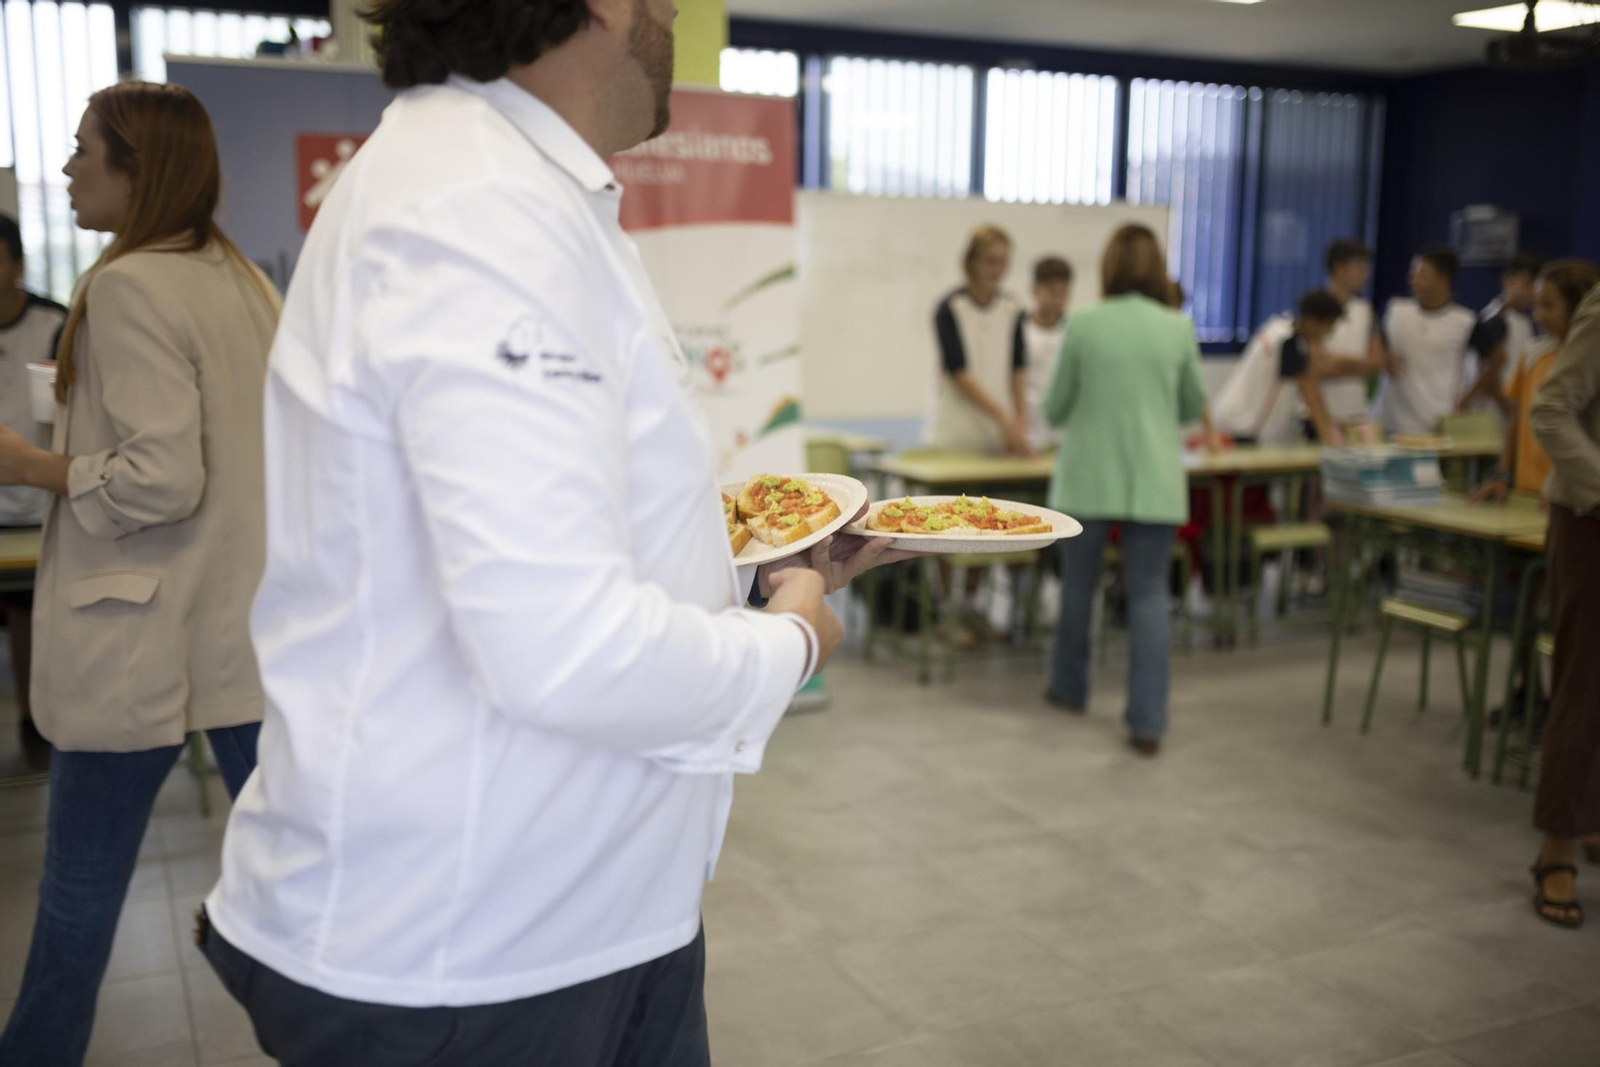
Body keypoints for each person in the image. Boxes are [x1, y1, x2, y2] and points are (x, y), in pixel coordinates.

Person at [199, 4, 897, 1064]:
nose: (669, 16)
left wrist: (761, 570)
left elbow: (563, 533)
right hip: (464, 961)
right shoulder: (473, 204)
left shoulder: (526, 190)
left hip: (582, 917)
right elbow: (561, 643)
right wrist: (789, 642)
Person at [0, 82, 280, 1065]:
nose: (69, 169)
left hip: (141, 635)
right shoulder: (238, 278)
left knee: (76, 901)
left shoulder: (127, 286)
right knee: (303, 875)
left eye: (84, 152)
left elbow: (162, 478)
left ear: (137, 167)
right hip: (240, 631)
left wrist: (41, 466)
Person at [1044, 223, 1208, 756]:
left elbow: (1054, 407)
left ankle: (1069, 690)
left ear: (1109, 267)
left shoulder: (1084, 325)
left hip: (1088, 477)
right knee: (1149, 596)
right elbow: (1189, 408)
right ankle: (1147, 722)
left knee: (1077, 589)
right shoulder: (1177, 328)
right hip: (1154, 480)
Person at [1527, 276, 1600, 930]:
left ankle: (1590, 816)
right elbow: (1549, 408)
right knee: (1584, 687)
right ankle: (1556, 847)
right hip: (1591, 515)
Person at [0, 214, 66, 759]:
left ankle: (36, 719)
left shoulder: (54, 323)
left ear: (17, 266)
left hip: (40, 500)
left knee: (29, 610)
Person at [1471, 260, 1600, 505]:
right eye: (1535, 305)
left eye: (1548, 306)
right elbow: (1517, 418)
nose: (1538, 315)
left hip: (1577, 496)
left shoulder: (1589, 361)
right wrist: (1503, 473)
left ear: (1579, 307)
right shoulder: (1533, 354)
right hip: (1527, 491)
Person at [1373, 246, 1502, 437]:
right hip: (1390, 422)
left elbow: (1498, 357)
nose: (1413, 278)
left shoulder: (1465, 320)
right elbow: (1374, 340)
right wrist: (1384, 358)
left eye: (1421, 274)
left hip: (1436, 424)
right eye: (1413, 272)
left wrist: (1468, 399)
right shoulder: (1395, 309)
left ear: (1443, 279)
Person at [929, 225, 1032, 456]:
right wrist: (1005, 418)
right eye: (990, 261)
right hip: (956, 436)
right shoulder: (950, 309)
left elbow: (1018, 369)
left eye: (1003, 261)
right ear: (972, 261)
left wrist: (1018, 423)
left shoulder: (1013, 309)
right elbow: (959, 372)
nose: (997, 269)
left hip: (998, 436)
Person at [1211, 290, 1347, 447]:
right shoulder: (1288, 341)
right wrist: (1331, 441)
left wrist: (1330, 426)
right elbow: (1309, 389)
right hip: (1242, 427)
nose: (1329, 333)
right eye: (1328, 326)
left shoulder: (1280, 329)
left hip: (1239, 422)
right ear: (1311, 321)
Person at [1461, 251, 1544, 418]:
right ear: (1508, 281)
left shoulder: (1524, 320)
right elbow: (1487, 370)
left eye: (1535, 285)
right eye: (1527, 284)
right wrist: (1508, 409)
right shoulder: (1496, 319)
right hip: (1494, 414)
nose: (1531, 292)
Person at [1318, 239, 1388, 435]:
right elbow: (1314, 365)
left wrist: (1335, 363)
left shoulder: (1364, 310)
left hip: (1357, 415)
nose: (1366, 275)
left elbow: (1376, 361)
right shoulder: (1315, 307)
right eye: (1360, 268)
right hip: (1320, 415)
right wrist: (1358, 367)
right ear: (1340, 269)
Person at [1021, 255, 1072, 449]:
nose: (1058, 300)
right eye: (1052, 292)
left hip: (1063, 433)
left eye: (1063, 293)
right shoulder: (1021, 331)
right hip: (1029, 431)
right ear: (1035, 290)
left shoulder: (1073, 332)